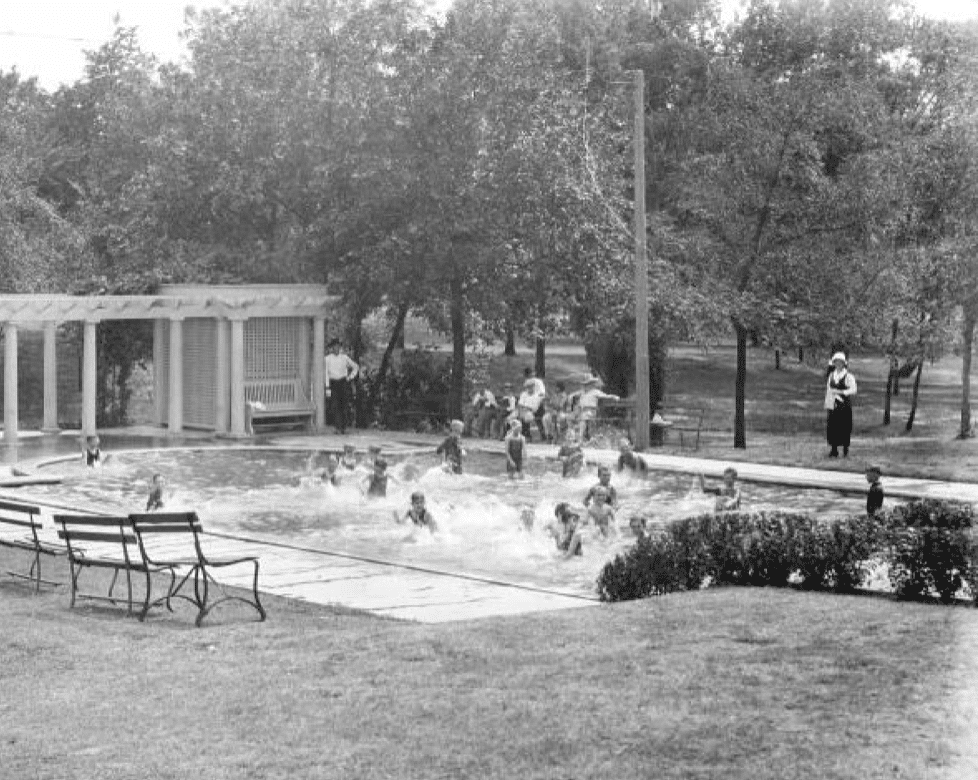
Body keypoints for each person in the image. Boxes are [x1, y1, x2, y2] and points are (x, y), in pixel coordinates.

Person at [825, 351, 857, 458]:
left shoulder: (849, 376)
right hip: (833, 404)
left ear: (844, 363)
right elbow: (829, 389)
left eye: (840, 362)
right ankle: (834, 450)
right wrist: (829, 402)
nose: (838, 364)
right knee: (832, 426)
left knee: (844, 426)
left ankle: (845, 450)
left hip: (844, 405)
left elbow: (853, 390)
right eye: (836, 362)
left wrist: (841, 392)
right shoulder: (831, 376)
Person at [324, 338, 359, 435]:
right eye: (334, 346)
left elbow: (355, 367)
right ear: (332, 348)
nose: (336, 348)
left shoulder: (344, 358)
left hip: (343, 382)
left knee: (344, 405)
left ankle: (344, 427)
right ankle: (337, 427)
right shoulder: (327, 359)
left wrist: (350, 377)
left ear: (340, 347)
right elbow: (325, 373)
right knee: (335, 406)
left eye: (338, 346)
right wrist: (327, 387)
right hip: (333, 382)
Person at [575, 374, 619, 440]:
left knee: (584, 421)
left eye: (589, 384)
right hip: (583, 411)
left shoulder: (595, 392)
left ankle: (582, 437)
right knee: (583, 421)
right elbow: (575, 394)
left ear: (592, 384)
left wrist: (613, 397)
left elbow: (605, 396)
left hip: (590, 411)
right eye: (585, 385)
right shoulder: (583, 393)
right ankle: (583, 437)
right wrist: (571, 397)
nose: (586, 386)